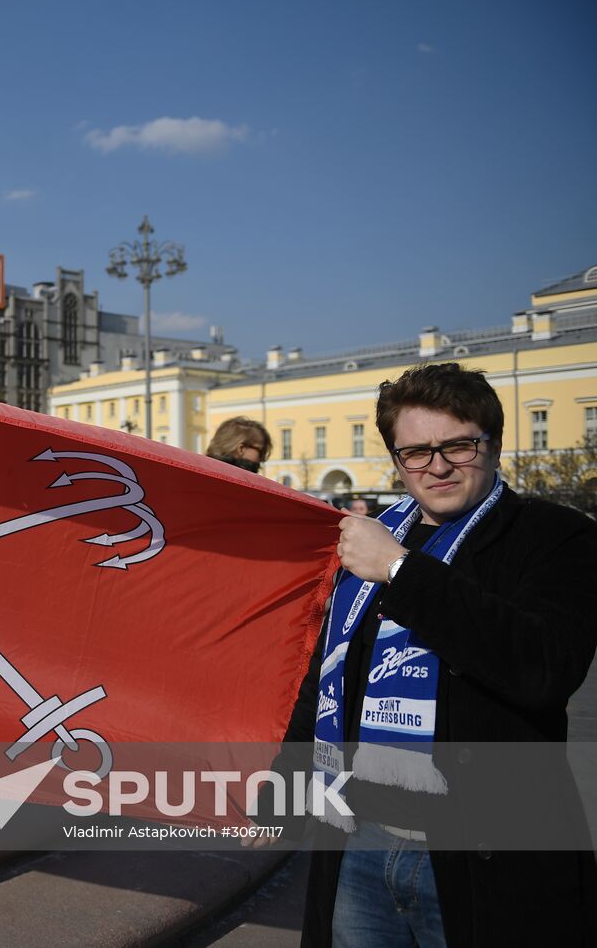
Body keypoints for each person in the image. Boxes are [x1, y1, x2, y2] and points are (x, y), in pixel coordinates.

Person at [268, 363, 597, 945]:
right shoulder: (368, 539)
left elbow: (542, 667)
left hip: (484, 844)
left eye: (458, 446)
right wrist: (285, 787)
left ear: (493, 444)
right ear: (397, 459)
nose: (437, 466)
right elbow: (328, 674)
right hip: (360, 839)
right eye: (415, 452)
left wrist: (398, 569)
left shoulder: (555, 536)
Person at [206, 416, 272, 473]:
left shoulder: (201, 472)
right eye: (261, 451)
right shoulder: (240, 483)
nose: (262, 459)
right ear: (241, 449)